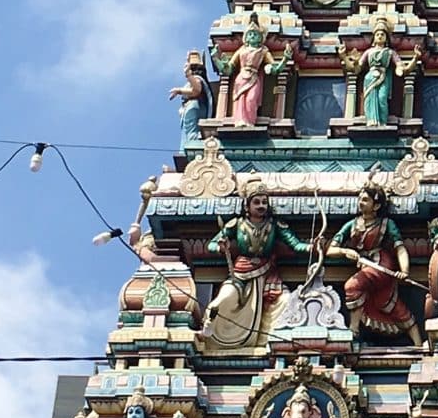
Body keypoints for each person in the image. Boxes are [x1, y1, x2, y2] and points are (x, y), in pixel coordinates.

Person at [204, 178, 314, 349]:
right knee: (222, 300)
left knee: (286, 301)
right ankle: (210, 330)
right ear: (247, 206)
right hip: (240, 274)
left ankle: (269, 340)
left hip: (267, 274)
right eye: (256, 202)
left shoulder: (275, 225)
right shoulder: (236, 224)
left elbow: (295, 244)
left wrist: (311, 248)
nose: (261, 205)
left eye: (264, 202)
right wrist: (220, 247)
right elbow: (210, 244)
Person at [327, 183, 422, 345]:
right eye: (360, 199)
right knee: (385, 303)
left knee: (352, 286)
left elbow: (400, 249)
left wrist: (404, 271)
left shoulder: (385, 224)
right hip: (365, 265)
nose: (360, 203)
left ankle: (353, 329)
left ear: (376, 205)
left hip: (381, 264)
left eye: (365, 200)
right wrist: (345, 252)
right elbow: (330, 250)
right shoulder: (352, 225)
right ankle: (419, 343)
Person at [168, 52, 210, 154]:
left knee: (191, 133)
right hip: (190, 107)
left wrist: (180, 89)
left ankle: (191, 153)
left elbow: (196, 90)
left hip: (194, 106)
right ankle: (185, 154)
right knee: (187, 133)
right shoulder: (191, 81)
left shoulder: (197, 79)